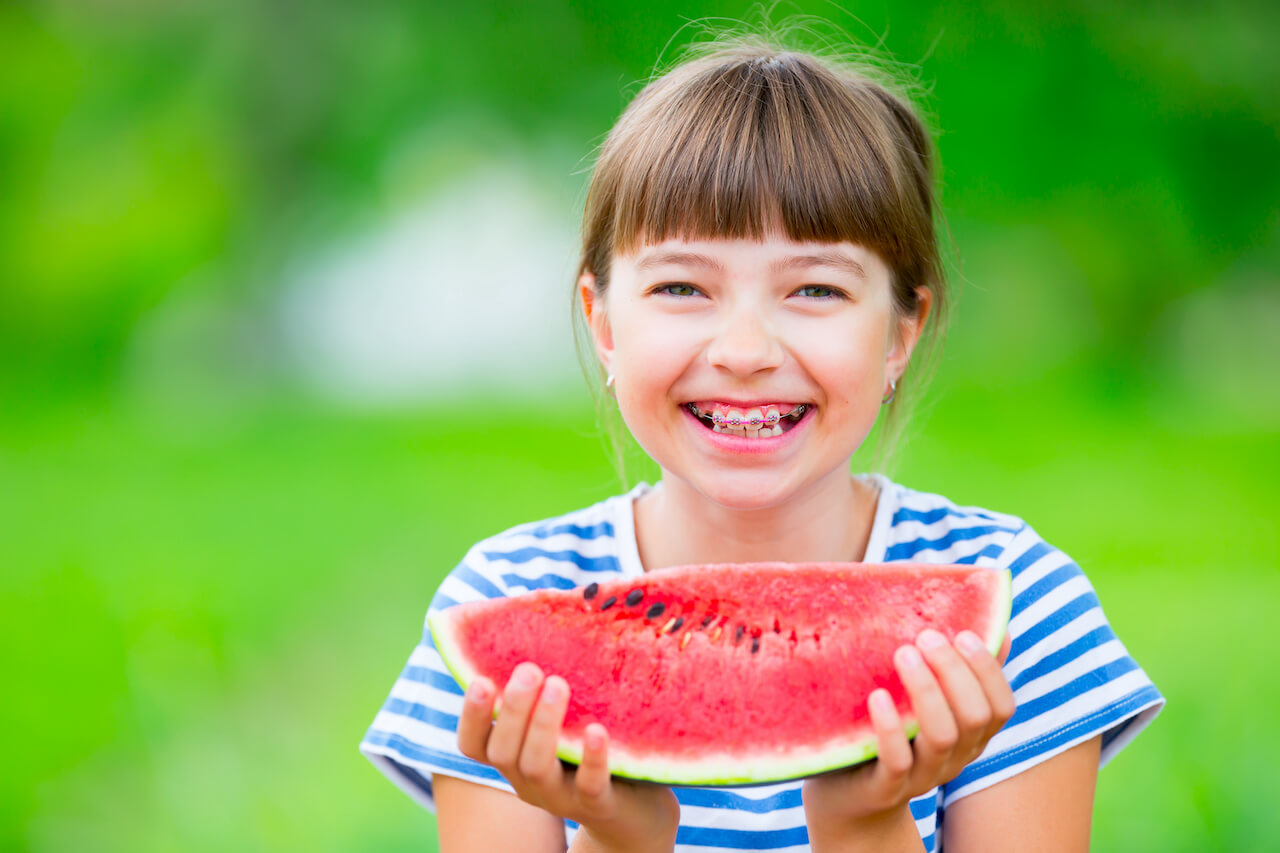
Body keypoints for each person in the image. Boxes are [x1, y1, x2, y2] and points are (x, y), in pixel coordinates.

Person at [360, 34, 1163, 852]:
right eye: (682, 287)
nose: (745, 350)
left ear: (900, 331)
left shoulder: (1019, 606)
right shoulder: (500, 604)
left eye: (816, 288)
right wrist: (620, 838)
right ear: (603, 323)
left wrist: (865, 824)